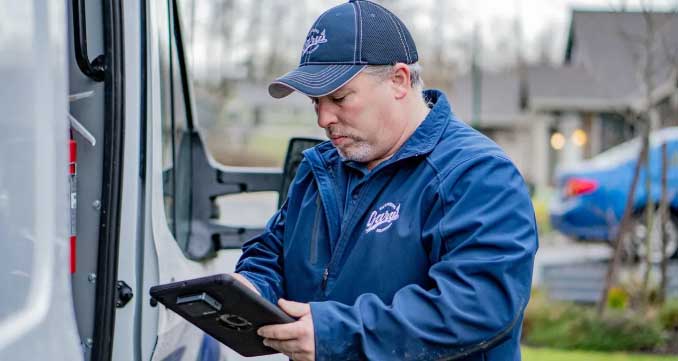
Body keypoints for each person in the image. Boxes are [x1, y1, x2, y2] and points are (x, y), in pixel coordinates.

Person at [232, 1, 538, 360]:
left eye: (340, 97)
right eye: (316, 102)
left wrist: (337, 333)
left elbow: (478, 305)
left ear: (399, 80)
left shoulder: (477, 174)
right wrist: (249, 288)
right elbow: (272, 254)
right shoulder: (320, 169)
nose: (323, 118)